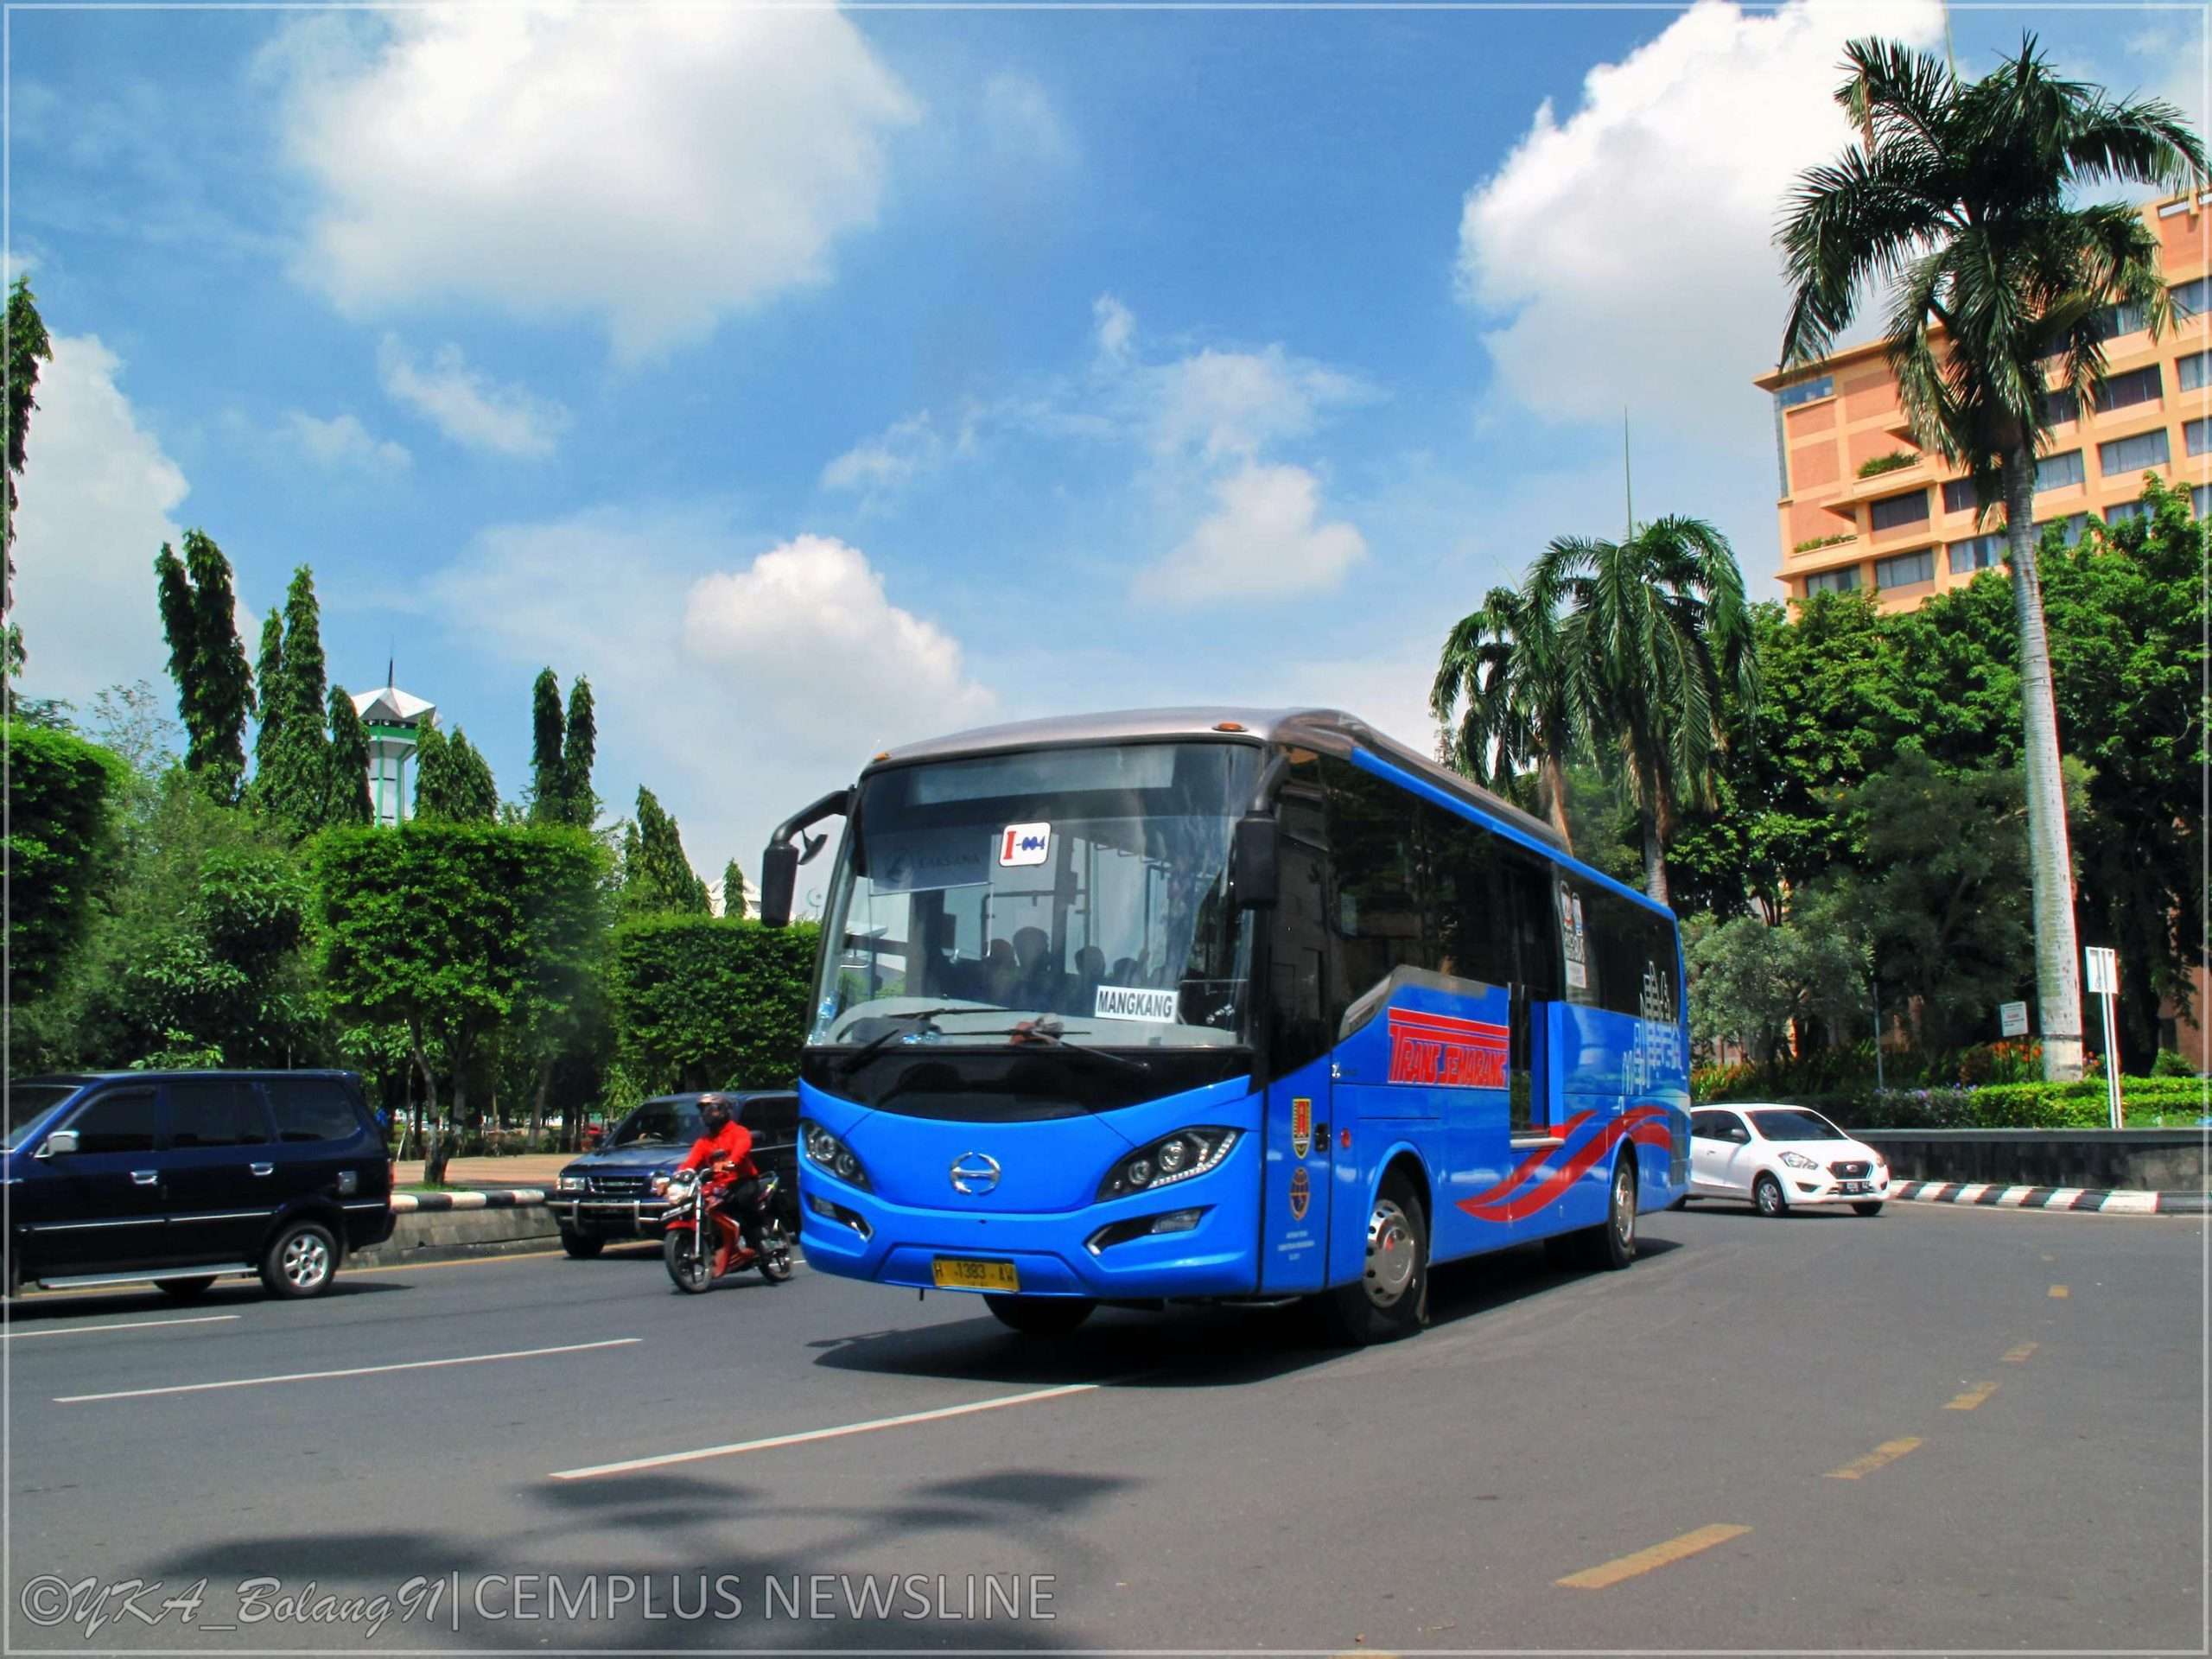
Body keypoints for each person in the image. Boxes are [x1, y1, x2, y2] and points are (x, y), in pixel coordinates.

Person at [677, 1094, 771, 1271]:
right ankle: (717, 1243)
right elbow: (691, 1162)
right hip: (717, 1186)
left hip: (742, 1180)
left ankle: (757, 1241)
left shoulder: (738, 1132)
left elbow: (742, 1149)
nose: (706, 1114)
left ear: (723, 1111)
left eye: (710, 1109)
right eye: (703, 1110)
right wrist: (680, 1174)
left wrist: (731, 1163)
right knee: (702, 1205)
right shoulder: (703, 1142)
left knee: (741, 1202)